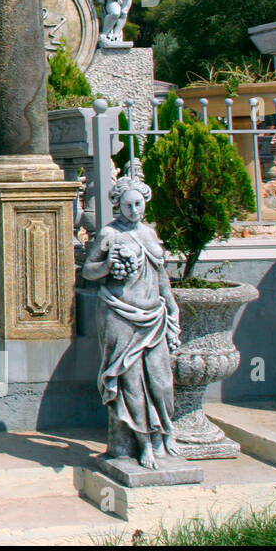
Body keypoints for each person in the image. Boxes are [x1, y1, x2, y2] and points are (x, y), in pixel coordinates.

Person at [82, 173, 183, 469]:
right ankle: (144, 443)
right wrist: (108, 265)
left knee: (162, 381)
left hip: (153, 315)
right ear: (118, 206)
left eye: (138, 204)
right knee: (130, 384)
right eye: (128, 206)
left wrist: (172, 309)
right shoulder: (110, 235)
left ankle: (165, 432)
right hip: (118, 313)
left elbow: (162, 277)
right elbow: (88, 271)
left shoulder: (150, 234)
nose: (134, 211)